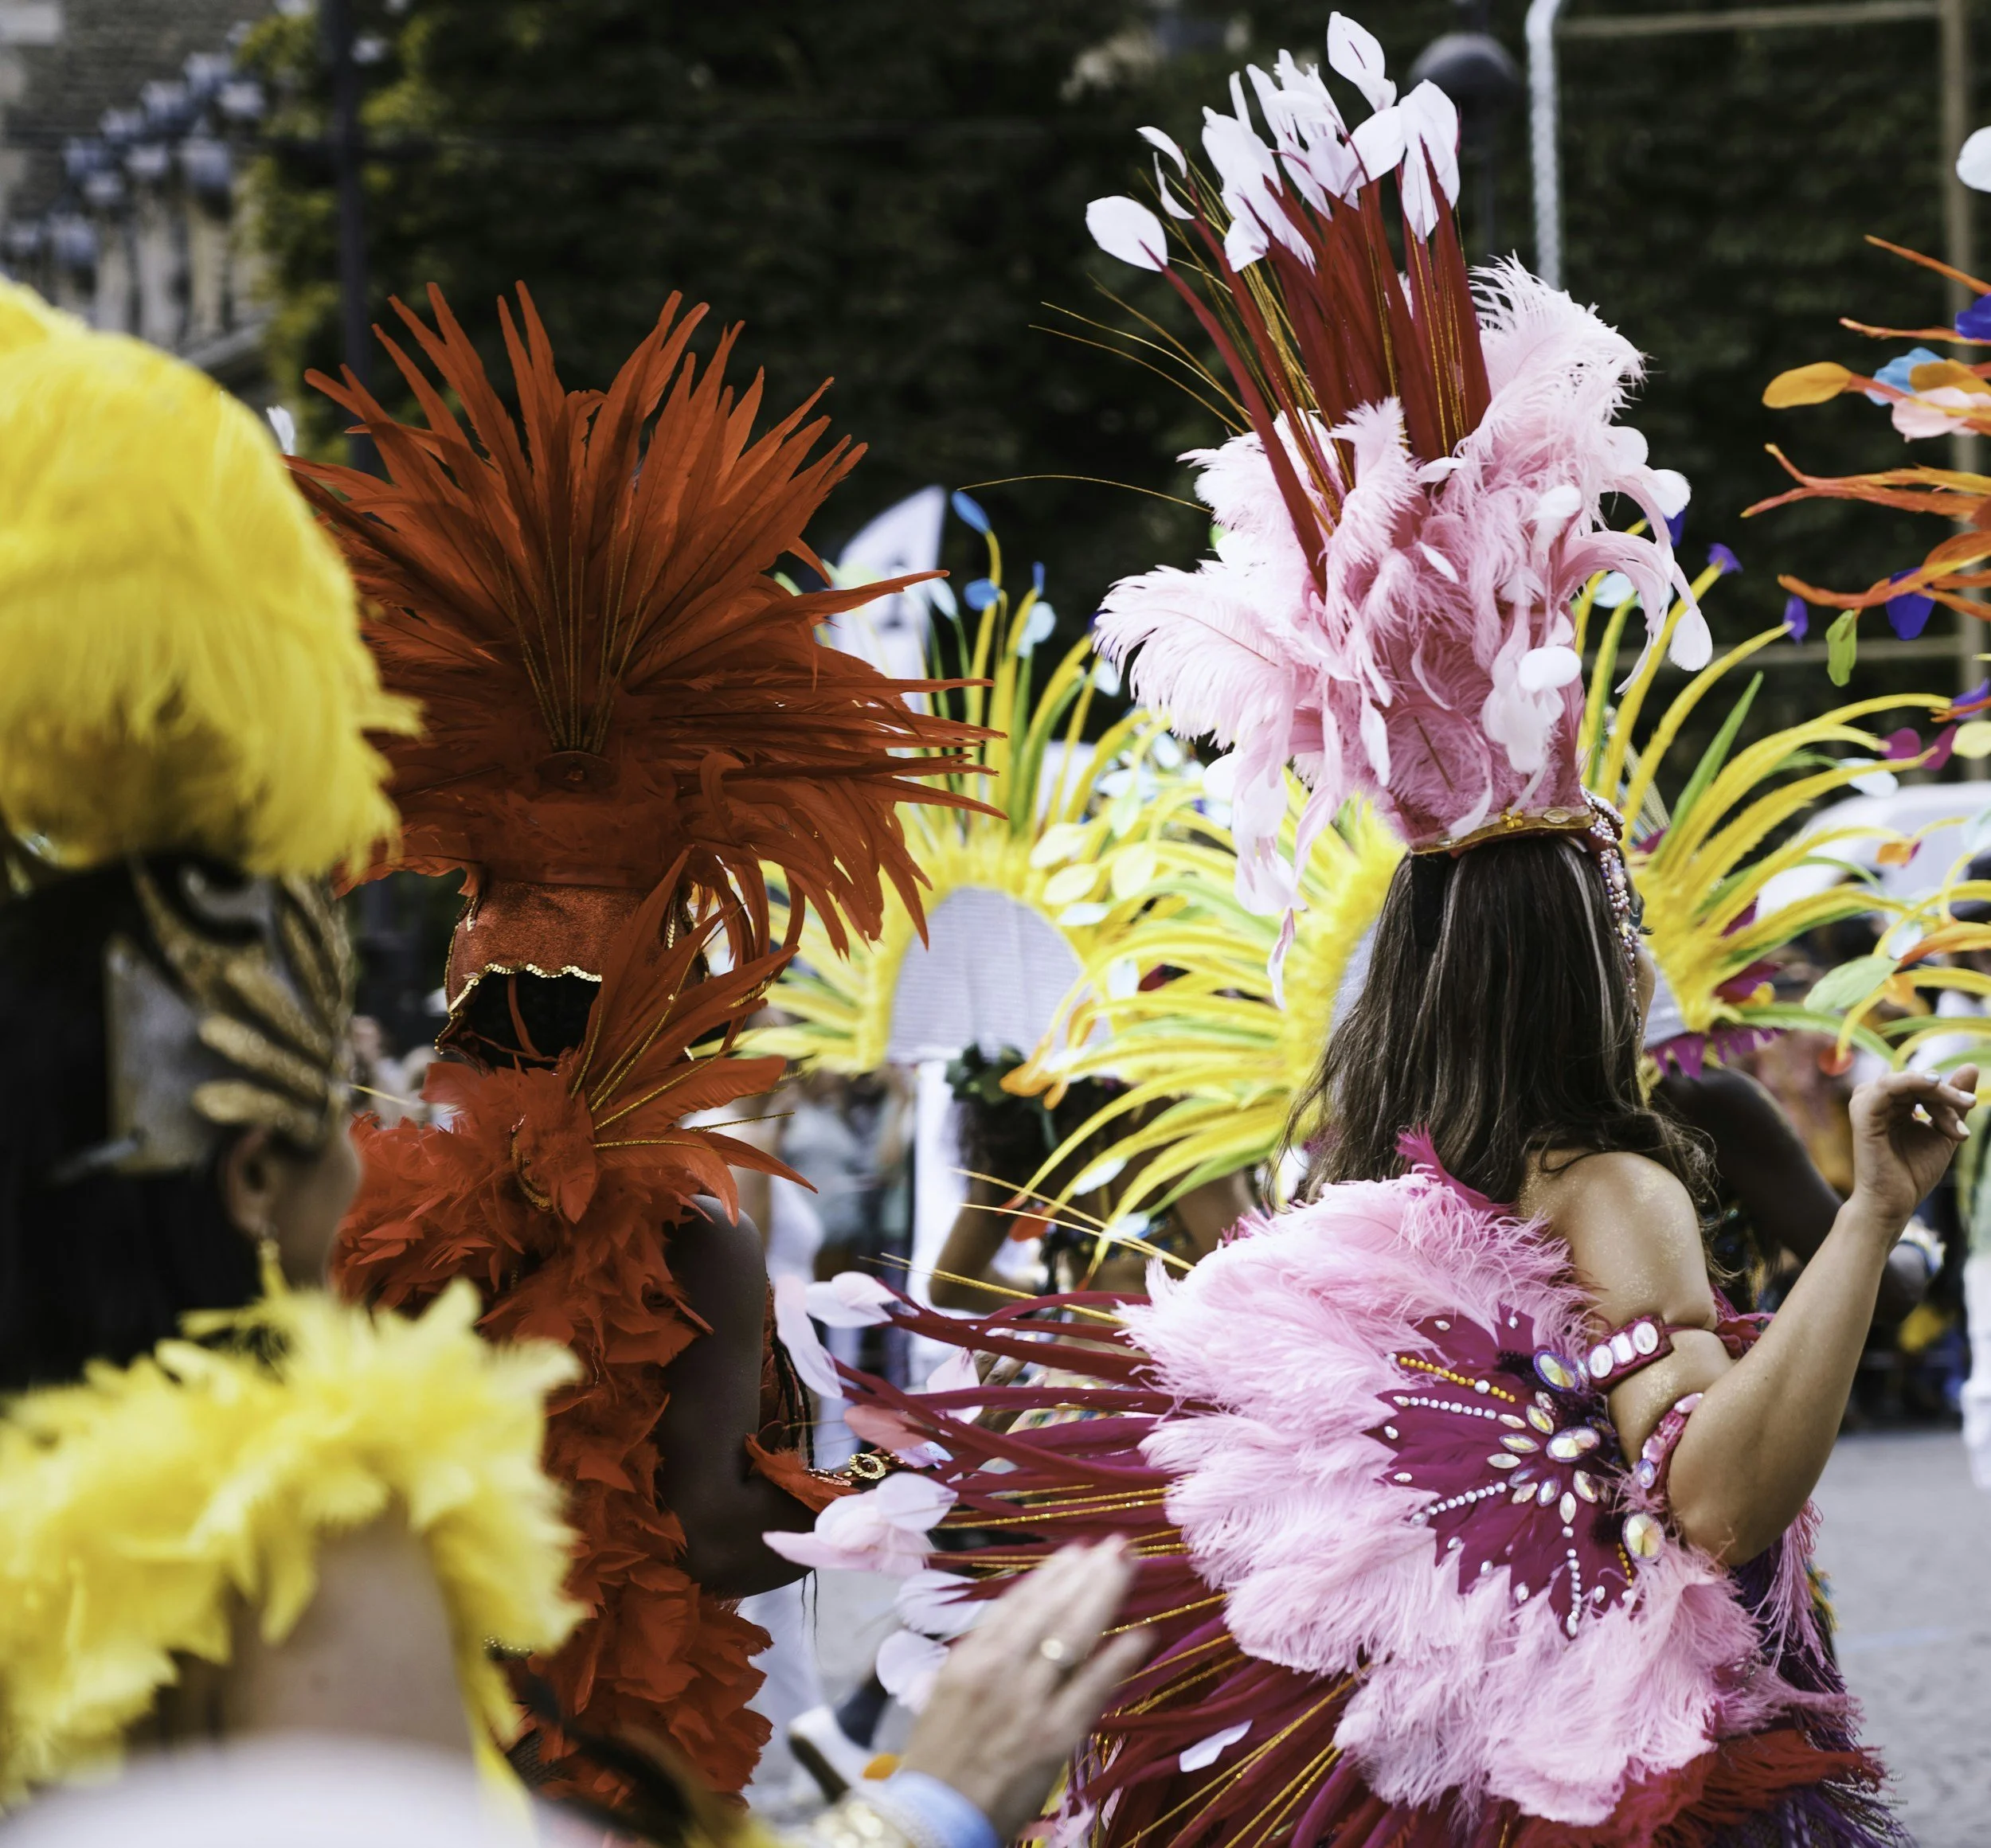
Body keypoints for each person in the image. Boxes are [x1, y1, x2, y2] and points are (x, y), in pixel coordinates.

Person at [771, 20, 1965, 1840]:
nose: (1642, 906)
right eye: (1611, 882)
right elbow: (1712, 1506)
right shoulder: (1618, 1186)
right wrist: (1875, 1204)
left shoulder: (1370, 1195)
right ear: (1568, 942)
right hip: (1643, 1770)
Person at [288, 282, 986, 1802]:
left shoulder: (359, 1210)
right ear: (679, 993)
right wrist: (867, 1473)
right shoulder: (694, 1247)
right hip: (607, 1768)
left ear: (473, 955)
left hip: (399, 1751)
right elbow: (717, 1538)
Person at [0, 281, 578, 1803]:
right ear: (253, 1174)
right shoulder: (294, 1531)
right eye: (339, 1106)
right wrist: (930, 1810)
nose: (362, 1153)